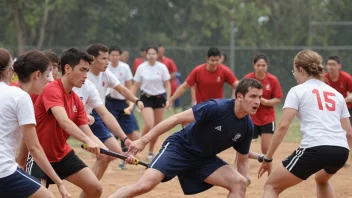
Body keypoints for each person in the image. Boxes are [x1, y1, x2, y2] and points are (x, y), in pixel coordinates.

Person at [108, 78, 263, 198]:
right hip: (180, 148)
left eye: (260, 97)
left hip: (204, 159)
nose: (257, 101)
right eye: (253, 96)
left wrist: (246, 179)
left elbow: (242, 161)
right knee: (143, 186)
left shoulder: (247, 126)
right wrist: (143, 140)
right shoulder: (216, 107)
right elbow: (176, 119)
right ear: (240, 96)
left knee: (239, 183)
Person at [258, 50, 352, 198]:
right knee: (321, 179)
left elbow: (283, 125)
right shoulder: (337, 94)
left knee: (271, 186)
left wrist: (268, 158)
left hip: (315, 148)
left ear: (301, 69)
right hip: (341, 151)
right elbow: (349, 133)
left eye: (294, 71)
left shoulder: (297, 91)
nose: (294, 75)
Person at [29, 48, 108, 198]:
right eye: (82, 70)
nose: (86, 76)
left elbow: (88, 133)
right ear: (67, 68)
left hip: (61, 154)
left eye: (87, 71)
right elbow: (64, 122)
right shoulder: (53, 89)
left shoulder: (76, 100)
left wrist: (109, 152)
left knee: (95, 188)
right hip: (39, 155)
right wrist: (87, 141)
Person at [0, 48, 70, 198]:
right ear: (37, 75)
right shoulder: (20, 97)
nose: (50, 80)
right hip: (4, 172)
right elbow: (35, 148)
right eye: (47, 75)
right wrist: (59, 182)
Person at [85, 43, 143, 172]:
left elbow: (122, 89)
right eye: (104, 58)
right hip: (79, 118)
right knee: (103, 154)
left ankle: (92, 188)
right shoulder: (83, 76)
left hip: (96, 115)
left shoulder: (105, 73)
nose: (108, 61)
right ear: (93, 59)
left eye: (108, 58)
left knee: (114, 153)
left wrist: (136, 100)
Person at [132, 46, 171, 161]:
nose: (151, 56)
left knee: (157, 128)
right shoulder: (141, 67)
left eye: (153, 54)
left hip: (159, 99)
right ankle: (138, 144)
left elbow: (167, 84)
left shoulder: (162, 67)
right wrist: (132, 100)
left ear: (157, 55)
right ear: (146, 55)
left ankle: (150, 151)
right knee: (149, 124)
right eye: (149, 53)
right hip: (146, 98)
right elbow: (135, 85)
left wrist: (168, 99)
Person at [167, 47, 239, 107]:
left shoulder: (224, 70)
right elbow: (184, 87)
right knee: (184, 120)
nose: (214, 63)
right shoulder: (198, 71)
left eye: (217, 60)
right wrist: (172, 99)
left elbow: (237, 85)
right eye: (212, 60)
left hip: (217, 106)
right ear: (207, 59)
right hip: (201, 106)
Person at [243, 53, 283, 154]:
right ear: (254, 65)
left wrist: (266, 102)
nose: (260, 68)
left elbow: (278, 99)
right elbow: (240, 96)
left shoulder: (273, 80)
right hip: (250, 118)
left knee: (266, 151)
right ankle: (239, 169)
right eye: (258, 65)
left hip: (267, 119)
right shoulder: (247, 79)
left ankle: (268, 169)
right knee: (243, 150)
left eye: (263, 65)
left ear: (267, 66)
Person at [323, 55, 352, 123]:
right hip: (329, 109)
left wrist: (343, 101)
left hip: (346, 108)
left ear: (339, 66)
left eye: (333, 64)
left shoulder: (347, 77)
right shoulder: (323, 79)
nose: (331, 67)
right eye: (329, 64)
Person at [158, 44, 179, 111]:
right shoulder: (154, 63)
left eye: (162, 51)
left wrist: (166, 80)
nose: (160, 52)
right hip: (159, 87)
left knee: (172, 102)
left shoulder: (169, 61)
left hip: (170, 85)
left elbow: (174, 72)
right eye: (159, 51)